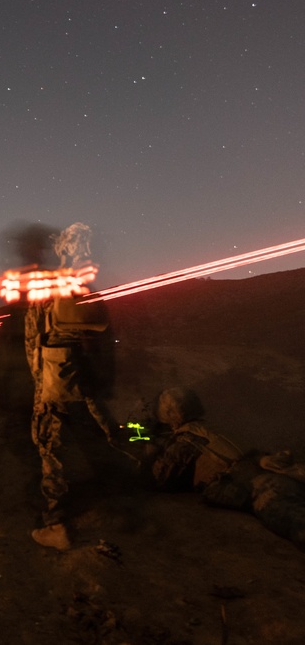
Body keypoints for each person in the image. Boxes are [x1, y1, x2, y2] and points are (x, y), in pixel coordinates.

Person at [24, 223, 121, 550]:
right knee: (96, 434)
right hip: (85, 379)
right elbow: (104, 341)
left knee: (50, 448)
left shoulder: (48, 287)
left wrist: (39, 379)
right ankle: (119, 496)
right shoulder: (89, 289)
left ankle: (57, 523)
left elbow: (33, 338)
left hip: (54, 375)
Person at [138, 387, 305, 550]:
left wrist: (149, 454)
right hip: (274, 475)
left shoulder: (186, 441)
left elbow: (160, 479)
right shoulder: (213, 428)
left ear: (169, 416)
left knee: (294, 522)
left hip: (260, 485)